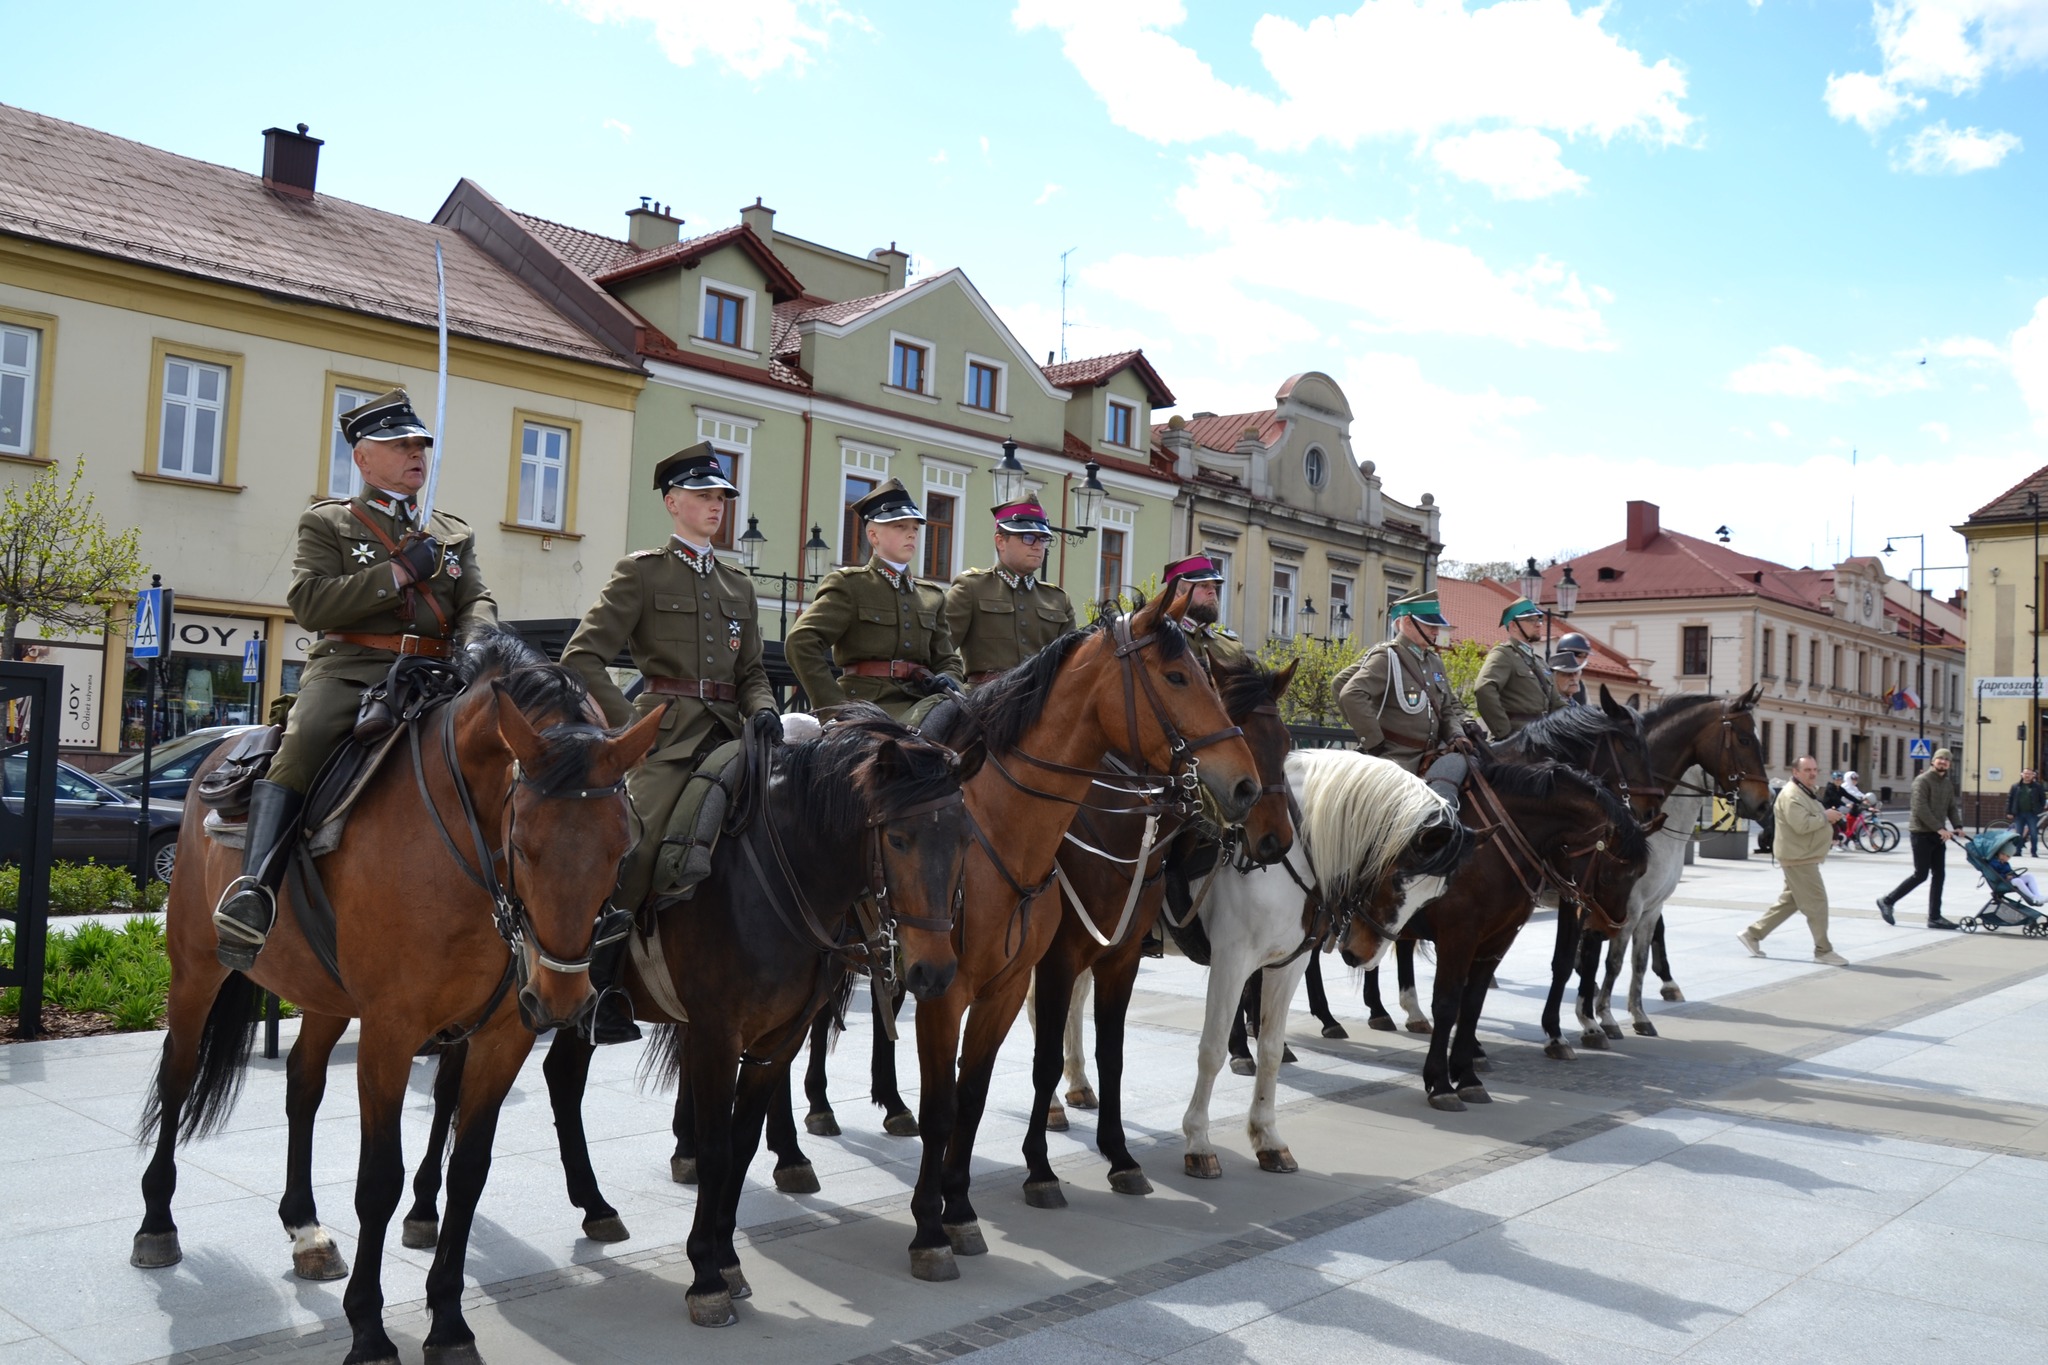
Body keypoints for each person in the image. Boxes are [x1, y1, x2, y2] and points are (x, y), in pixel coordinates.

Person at [213, 390, 495, 971]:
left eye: (420, 444)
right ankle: (254, 891)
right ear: (363, 458)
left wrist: (477, 644)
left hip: (440, 673)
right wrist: (395, 573)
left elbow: (477, 598)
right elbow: (310, 603)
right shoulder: (331, 522)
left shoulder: (451, 531)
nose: (416, 454)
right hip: (354, 671)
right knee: (305, 739)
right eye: (401, 445)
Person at [560, 444, 777, 1043]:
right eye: (704, 496)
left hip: (734, 734)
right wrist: (634, 728)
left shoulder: (739, 585)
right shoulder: (643, 571)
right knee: (636, 846)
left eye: (722, 498)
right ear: (672, 502)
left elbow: (753, 672)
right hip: (668, 742)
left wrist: (763, 712)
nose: (716, 507)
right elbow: (582, 658)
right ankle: (601, 989)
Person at [786, 478, 964, 723]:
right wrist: (834, 708)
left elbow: (947, 659)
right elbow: (800, 642)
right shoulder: (850, 585)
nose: (911, 533)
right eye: (900, 526)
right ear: (873, 535)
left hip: (923, 703)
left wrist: (950, 679)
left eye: (915, 528)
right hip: (866, 706)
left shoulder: (931, 596)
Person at [1333, 589, 1469, 809]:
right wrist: (1374, 742)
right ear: (1407, 622)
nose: (1436, 631)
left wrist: (1457, 735)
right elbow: (1350, 692)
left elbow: (1447, 708)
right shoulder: (1388, 657)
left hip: (1432, 757)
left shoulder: (1434, 661)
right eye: (1429, 625)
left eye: (1436, 625)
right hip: (1396, 761)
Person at [944, 498, 1075, 688]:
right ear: (1000, 541)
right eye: (1028, 537)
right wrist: (951, 679)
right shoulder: (971, 587)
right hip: (984, 702)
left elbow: (1071, 663)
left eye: (1043, 539)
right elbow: (941, 648)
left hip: (1041, 704)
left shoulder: (1058, 600)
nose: (1038, 546)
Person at [1737, 755, 1849, 965]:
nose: (1813, 773)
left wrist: (1826, 817)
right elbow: (1802, 825)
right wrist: (1826, 817)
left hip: (1803, 855)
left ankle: (1752, 934)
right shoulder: (1791, 795)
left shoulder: (1805, 792)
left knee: (1790, 901)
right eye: (1807, 770)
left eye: (1815, 769)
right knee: (1817, 903)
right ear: (1795, 773)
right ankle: (1823, 951)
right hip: (1799, 858)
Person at [1877, 746, 1966, 930]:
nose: (1943, 762)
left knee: (1939, 875)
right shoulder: (1922, 781)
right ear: (1933, 761)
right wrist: (1940, 828)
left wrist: (1957, 826)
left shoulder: (1947, 784)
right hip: (1921, 833)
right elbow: (1920, 808)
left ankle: (1934, 917)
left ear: (1949, 764)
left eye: (1946, 760)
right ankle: (1887, 901)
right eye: (1940, 759)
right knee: (1921, 874)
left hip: (1938, 836)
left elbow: (1951, 807)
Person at [1473, 597, 1563, 739]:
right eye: (1530, 620)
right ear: (1513, 626)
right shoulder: (1503, 654)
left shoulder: (1540, 662)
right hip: (1516, 742)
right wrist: (1505, 733)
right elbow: (1484, 689)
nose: (1538, 624)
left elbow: (1558, 704)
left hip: (1542, 739)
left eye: (1539, 619)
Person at [1160, 554, 1245, 670]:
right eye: (1203, 585)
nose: (1212, 592)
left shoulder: (1233, 649)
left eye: (1214, 587)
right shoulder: (1161, 640)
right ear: (1177, 593)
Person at [2008, 767, 2045, 856]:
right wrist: (2009, 812)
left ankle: (2034, 852)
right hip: (2019, 813)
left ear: (2033, 775)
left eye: (2029, 774)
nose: (2027, 775)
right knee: (2018, 834)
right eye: (2025, 773)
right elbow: (2010, 799)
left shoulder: (2038, 786)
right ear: (2022, 774)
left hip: (2032, 814)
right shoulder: (2015, 786)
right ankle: (2018, 851)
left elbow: (2042, 799)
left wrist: (2039, 809)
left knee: (2033, 834)